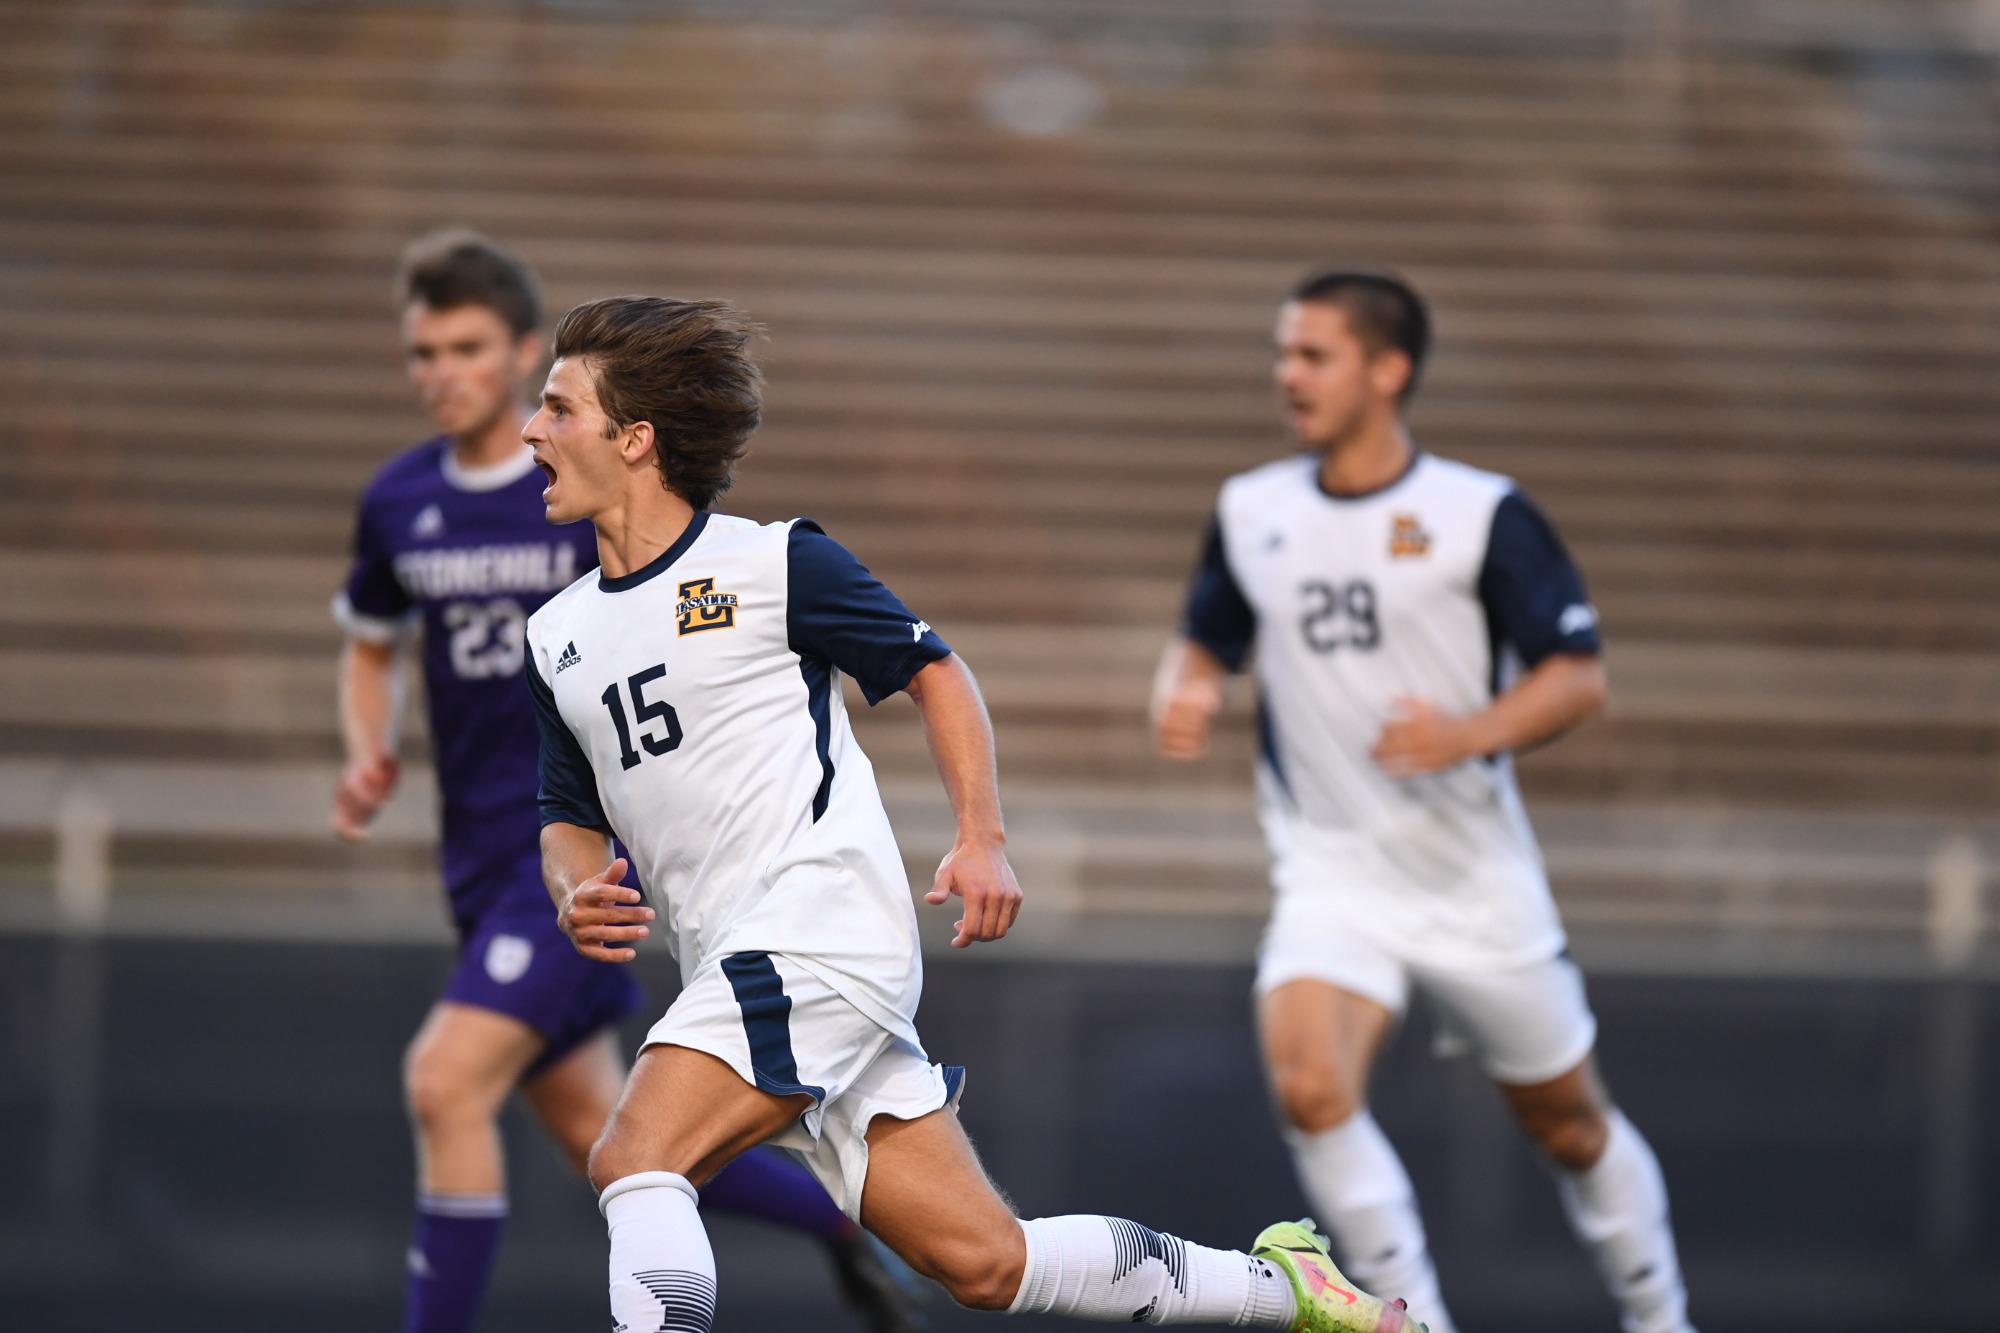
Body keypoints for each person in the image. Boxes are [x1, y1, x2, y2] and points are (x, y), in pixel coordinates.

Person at [522, 293, 1428, 1333]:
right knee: (986, 1261)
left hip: (814, 932)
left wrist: (980, 836)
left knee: (635, 1155)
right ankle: (1288, 1294)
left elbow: (937, 674)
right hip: (739, 958)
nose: (529, 431)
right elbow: (566, 806)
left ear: (633, 439)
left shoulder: (772, 564)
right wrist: (575, 886)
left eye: (555, 408)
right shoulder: (558, 636)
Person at [329, 231, 926, 1333]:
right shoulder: (398, 499)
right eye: (422, 352)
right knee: (605, 1136)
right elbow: (370, 641)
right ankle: (839, 1227)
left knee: (446, 1080)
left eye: (465, 347)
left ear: (518, 353)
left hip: (568, 858)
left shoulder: (585, 484)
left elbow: (692, 604)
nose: (441, 373)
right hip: (489, 859)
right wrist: (368, 744)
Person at [1151, 271, 1694, 1333]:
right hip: (1331, 870)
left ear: (1386, 370)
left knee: (1569, 1127)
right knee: (1309, 1087)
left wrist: (1466, 731)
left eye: (1312, 355)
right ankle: (1416, 1321)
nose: (1287, 375)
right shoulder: (1250, 507)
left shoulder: (1476, 513)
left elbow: (1575, 672)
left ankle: (1659, 1314)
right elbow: (1206, 635)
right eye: (1283, 353)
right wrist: (1188, 685)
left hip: (1468, 877)